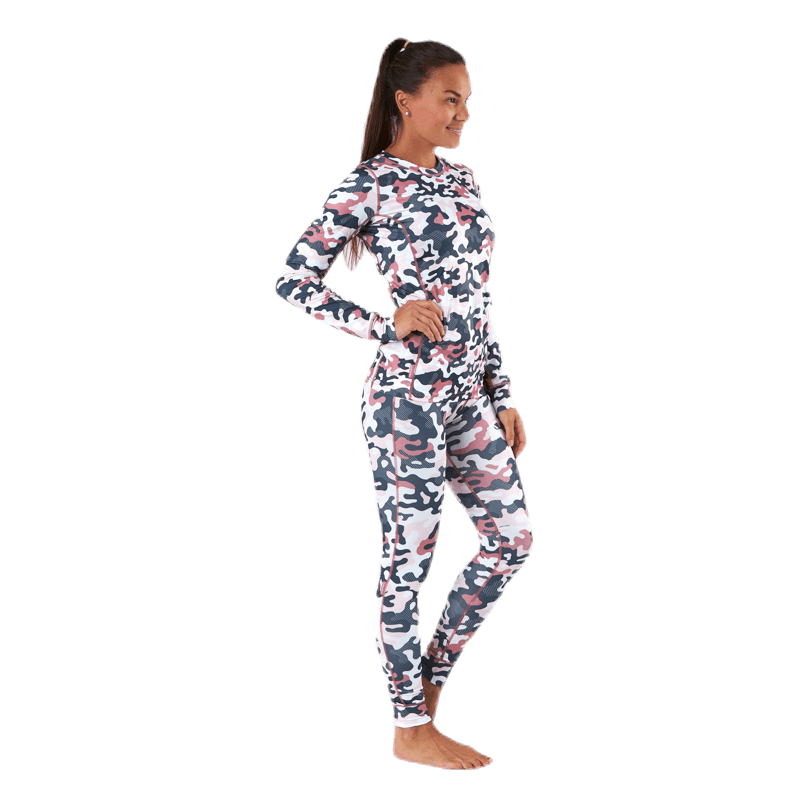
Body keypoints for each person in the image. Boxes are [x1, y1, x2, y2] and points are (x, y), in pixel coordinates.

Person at [275, 38, 532, 771]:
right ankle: (408, 727)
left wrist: (501, 393)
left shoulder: (463, 177)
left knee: (512, 540)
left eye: (467, 101)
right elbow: (293, 281)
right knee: (408, 560)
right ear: (405, 101)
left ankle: (428, 681)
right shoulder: (367, 185)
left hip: (468, 397)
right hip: (405, 402)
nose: (462, 113)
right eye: (450, 99)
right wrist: (383, 324)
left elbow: (479, 300)